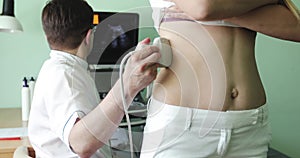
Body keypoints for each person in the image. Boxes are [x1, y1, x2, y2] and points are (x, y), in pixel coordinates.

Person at [140, 0, 300, 157]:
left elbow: (295, 26)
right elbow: (203, 8)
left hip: (249, 126)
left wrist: (223, 12)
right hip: (182, 124)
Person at [27, 0, 161, 157]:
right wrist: (127, 85)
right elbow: (81, 143)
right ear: (90, 35)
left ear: (47, 36)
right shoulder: (64, 75)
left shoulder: (61, 69)